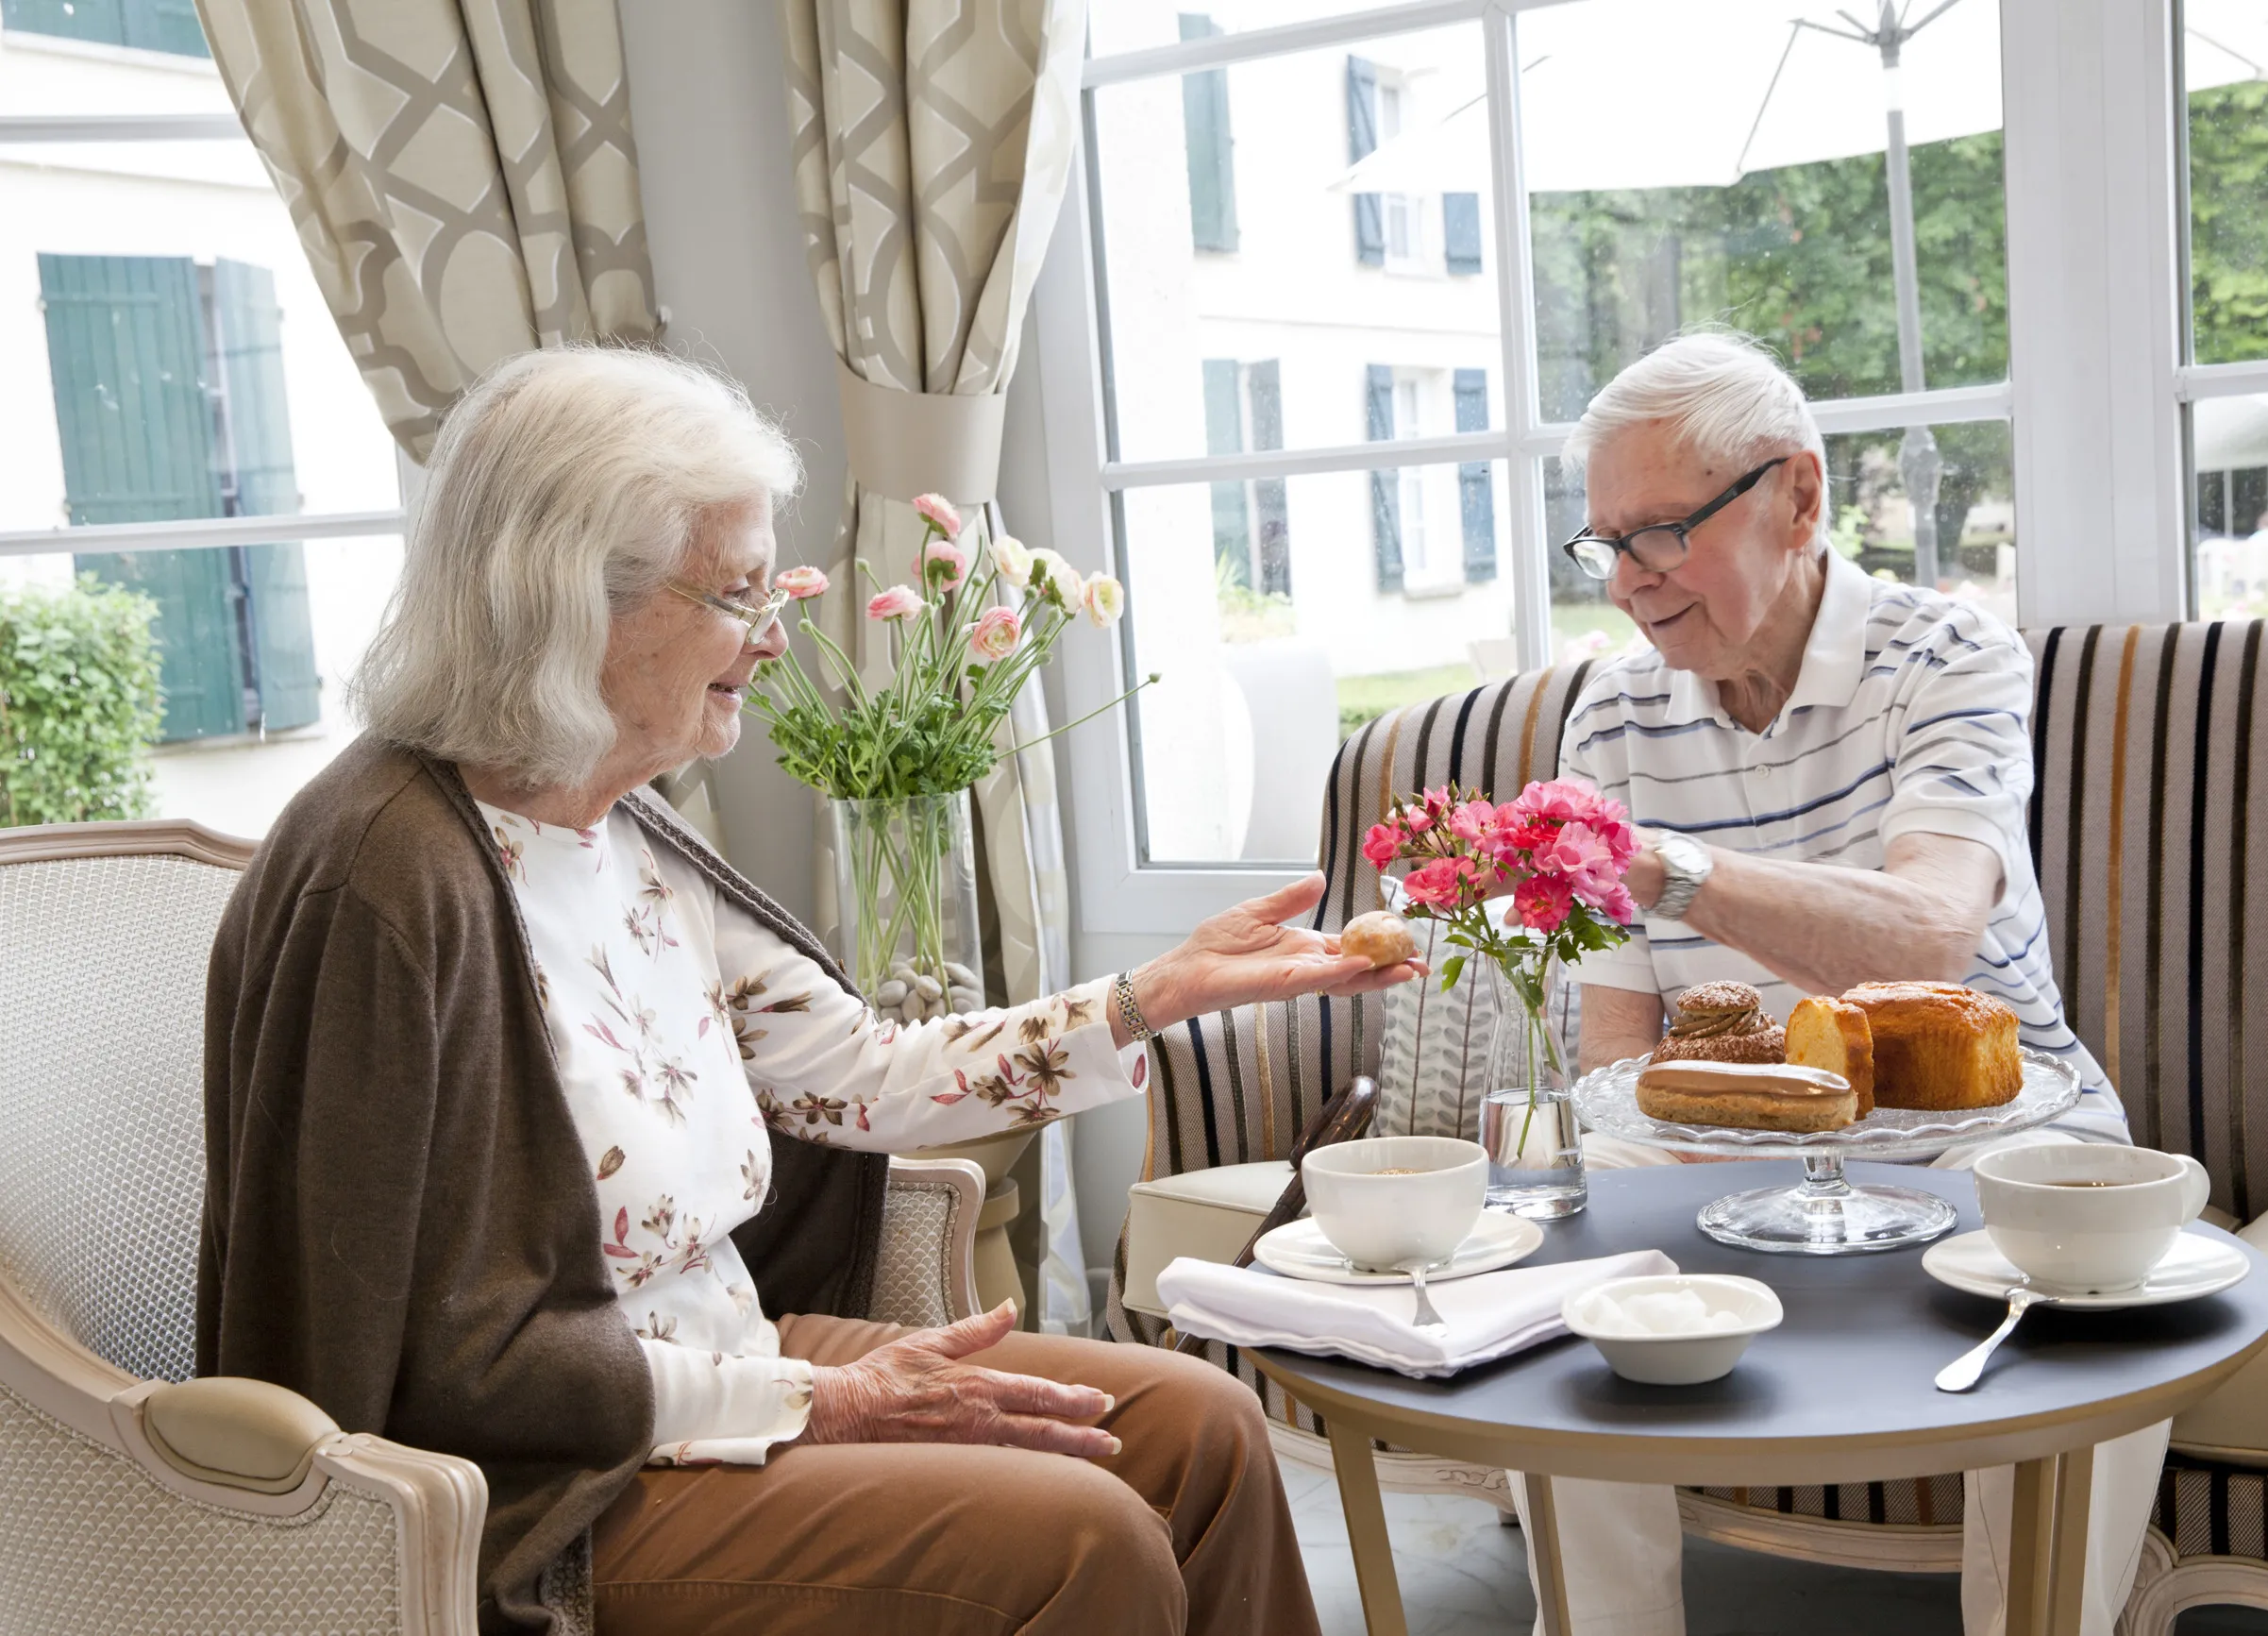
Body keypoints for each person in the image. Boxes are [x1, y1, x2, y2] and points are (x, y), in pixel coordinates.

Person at [200, 346, 1421, 1636]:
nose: (774, 637)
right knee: (1085, 1532)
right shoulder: (389, 881)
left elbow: (856, 1074)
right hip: (555, 1477)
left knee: (1200, 1431)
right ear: (573, 596)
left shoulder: (617, 823)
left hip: (724, 1361)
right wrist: (816, 1400)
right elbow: (432, 1367)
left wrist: (1150, 999)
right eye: (736, 593)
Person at [1535, 331, 2158, 1636]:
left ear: (1799, 496)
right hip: (1717, 1136)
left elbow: (1931, 937)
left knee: (2101, 1282)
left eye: (1659, 534)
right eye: (1604, 545)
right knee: (1563, 1272)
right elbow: (1612, 1055)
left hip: (1994, 1125)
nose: (1630, 587)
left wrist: (1662, 866)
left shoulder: (1949, 657)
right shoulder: (1612, 713)